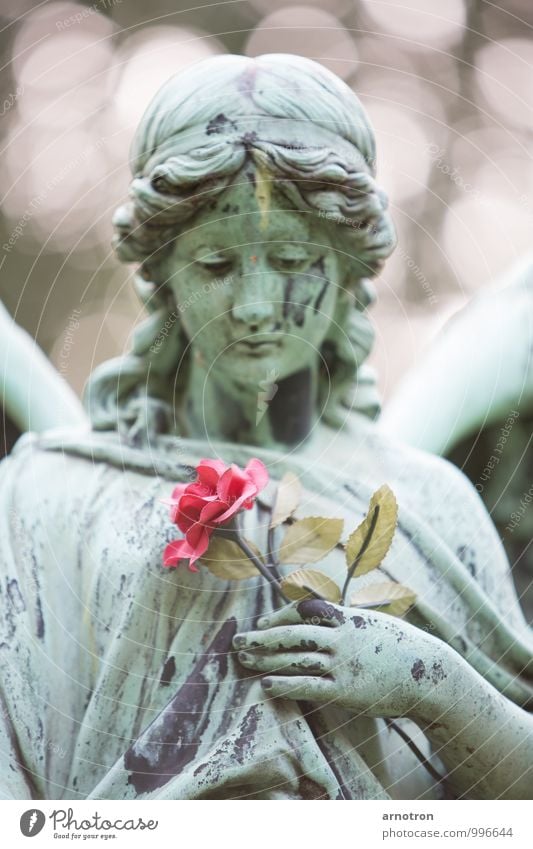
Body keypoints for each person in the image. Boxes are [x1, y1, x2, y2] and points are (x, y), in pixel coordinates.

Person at [0, 54, 531, 801]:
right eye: (216, 264)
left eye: (290, 260)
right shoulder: (44, 490)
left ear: (349, 271)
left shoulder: (430, 502)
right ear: (162, 274)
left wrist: (431, 683)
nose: (254, 304)